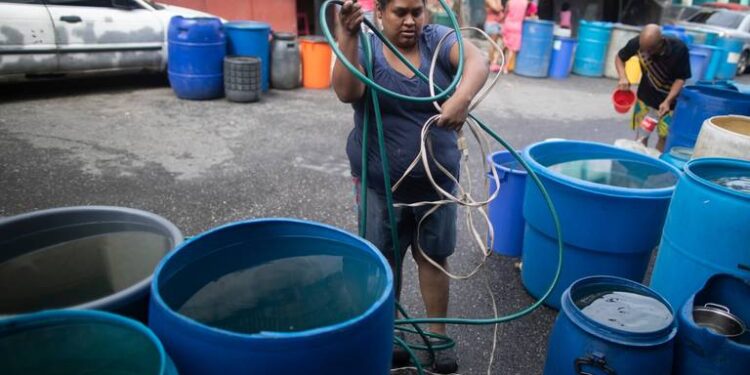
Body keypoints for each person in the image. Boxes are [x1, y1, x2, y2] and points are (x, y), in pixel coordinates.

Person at [333, 0, 489, 373]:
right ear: (380, 13)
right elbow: (346, 92)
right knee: (384, 263)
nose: (409, 21)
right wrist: (347, 35)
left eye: (416, 12)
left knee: (433, 259)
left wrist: (461, 98)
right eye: (399, 12)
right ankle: (390, 335)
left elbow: (478, 61)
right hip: (379, 183)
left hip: (436, 182)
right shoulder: (366, 44)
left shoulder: (436, 40)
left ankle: (438, 340)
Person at [616, 24, 691, 152]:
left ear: (661, 41)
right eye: (644, 49)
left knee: (664, 136)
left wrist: (668, 101)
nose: (646, 53)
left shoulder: (679, 49)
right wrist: (623, 77)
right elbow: (619, 58)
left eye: (650, 50)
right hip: (645, 98)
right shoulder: (637, 43)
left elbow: (681, 78)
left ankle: (657, 166)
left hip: (669, 103)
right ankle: (640, 164)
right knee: (642, 136)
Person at [502, 0, 527, 74]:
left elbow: (505, 12)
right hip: (517, 26)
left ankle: (496, 62)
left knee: (505, 44)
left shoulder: (510, 1)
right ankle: (506, 68)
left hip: (508, 23)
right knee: (512, 49)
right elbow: (524, 15)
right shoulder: (525, 2)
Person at [485, 0, 505, 72]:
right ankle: (490, 62)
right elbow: (497, 8)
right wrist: (499, 6)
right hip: (491, 23)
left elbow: (500, 7)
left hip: (498, 23)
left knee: (504, 42)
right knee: (492, 44)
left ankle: (494, 61)